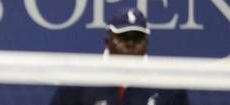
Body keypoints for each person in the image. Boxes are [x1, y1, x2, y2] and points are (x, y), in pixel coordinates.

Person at [50, 7, 189, 105]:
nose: (130, 43)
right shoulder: (77, 83)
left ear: (146, 44)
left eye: (137, 38)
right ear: (107, 42)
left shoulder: (169, 87)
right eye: (123, 37)